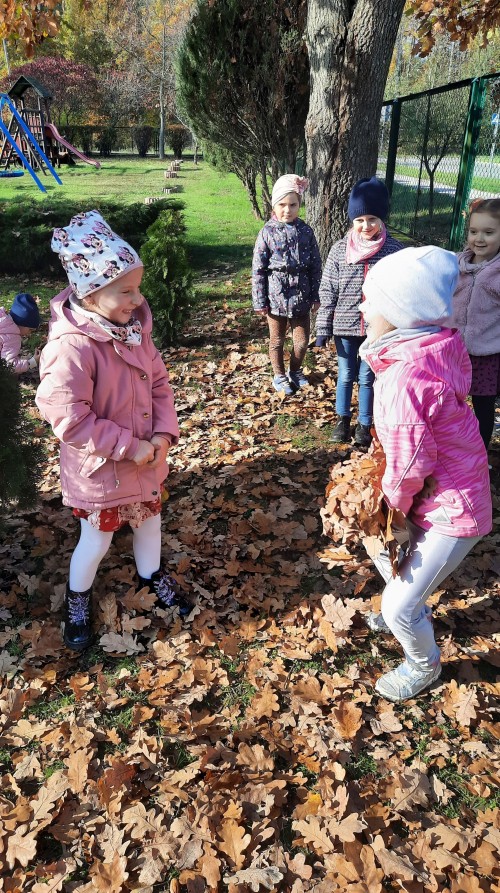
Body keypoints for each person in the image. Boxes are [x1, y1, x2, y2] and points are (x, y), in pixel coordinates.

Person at [36, 210, 189, 652]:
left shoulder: (135, 330)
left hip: (145, 459)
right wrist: (129, 446)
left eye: (137, 288)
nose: (137, 299)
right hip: (102, 468)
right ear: (91, 292)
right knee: (97, 538)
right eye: (125, 290)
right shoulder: (72, 348)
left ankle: (150, 574)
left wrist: (162, 435)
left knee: (149, 522)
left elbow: (158, 383)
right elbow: (70, 417)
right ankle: (78, 599)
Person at [357, 245, 492, 702]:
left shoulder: (403, 380)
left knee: (397, 604)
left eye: (370, 301)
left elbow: (411, 462)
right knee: (381, 549)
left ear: (402, 314)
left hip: (454, 511)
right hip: (448, 491)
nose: (362, 307)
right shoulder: (434, 347)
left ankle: (422, 663)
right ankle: (407, 604)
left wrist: (388, 507)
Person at [315, 177, 403, 446]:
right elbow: (328, 290)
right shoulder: (340, 249)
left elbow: (401, 291)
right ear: (352, 221)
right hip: (345, 327)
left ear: (383, 217)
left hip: (377, 330)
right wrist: (323, 328)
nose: (367, 226)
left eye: (373, 219)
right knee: (345, 375)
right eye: (360, 220)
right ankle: (342, 419)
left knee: (367, 377)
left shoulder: (393, 251)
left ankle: (365, 424)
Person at [252, 174, 322, 396]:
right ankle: (279, 375)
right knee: (277, 341)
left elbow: (315, 265)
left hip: (301, 297)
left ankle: (295, 370)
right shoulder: (267, 232)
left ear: (299, 205)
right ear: (274, 205)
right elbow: (258, 269)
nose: (287, 210)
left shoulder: (306, 231)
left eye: (293, 205)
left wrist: (315, 295)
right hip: (275, 298)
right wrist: (260, 300)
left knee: (301, 343)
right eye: (282, 205)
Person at [451, 197, 500, 450]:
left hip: (486, 353)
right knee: (450, 400)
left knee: (483, 405)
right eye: (473, 231)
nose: (479, 238)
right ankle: (451, 447)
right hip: (455, 350)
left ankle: (478, 454)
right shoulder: (456, 264)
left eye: (489, 232)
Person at [0, 292, 40, 374]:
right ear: (23, 325)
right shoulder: (12, 337)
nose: (30, 333)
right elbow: (9, 366)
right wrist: (32, 362)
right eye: (30, 329)